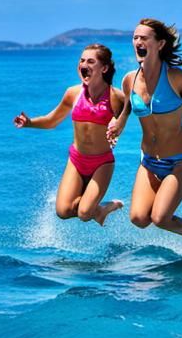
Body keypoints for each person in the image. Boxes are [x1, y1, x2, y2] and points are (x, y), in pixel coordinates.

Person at [108, 19, 182, 254]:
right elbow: (125, 111)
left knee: (160, 218)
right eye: (135, 37)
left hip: (179, 161)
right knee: (138, 218)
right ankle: (173, 223)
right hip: (149, 162)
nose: (138, 42)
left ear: (160, 43)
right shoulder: (129, 80)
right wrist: (117, 126)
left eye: (144, 38)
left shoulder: (177, 78)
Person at [14, 44, 126, 226]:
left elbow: (124, 121)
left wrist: (117, 127)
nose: (84, 64)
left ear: (104, 68)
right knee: (63, 211)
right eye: (82, 60)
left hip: (102, 163)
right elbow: (52, 120)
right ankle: (99, 209)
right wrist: (29, 123)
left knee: (83, 214)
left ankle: (96, 208)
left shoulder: (116, 97)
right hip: (76, 159)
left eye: (91, 61)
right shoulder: (73, 93)